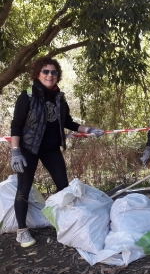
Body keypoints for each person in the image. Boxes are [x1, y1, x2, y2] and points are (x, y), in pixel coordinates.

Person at [10, 57, 104, 247]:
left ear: (57, 75)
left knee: (64, 185)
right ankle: (21, 231)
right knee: (23, 189)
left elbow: (68, 121)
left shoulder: (59, 97)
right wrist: (15, 151)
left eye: (53, 72)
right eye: (45, 71)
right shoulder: (27, 95)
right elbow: (16, 125)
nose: (50, 75)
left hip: (51, 149)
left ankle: (68, 222)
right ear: (38, 73)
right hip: (28, 149)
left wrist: (89, 130)